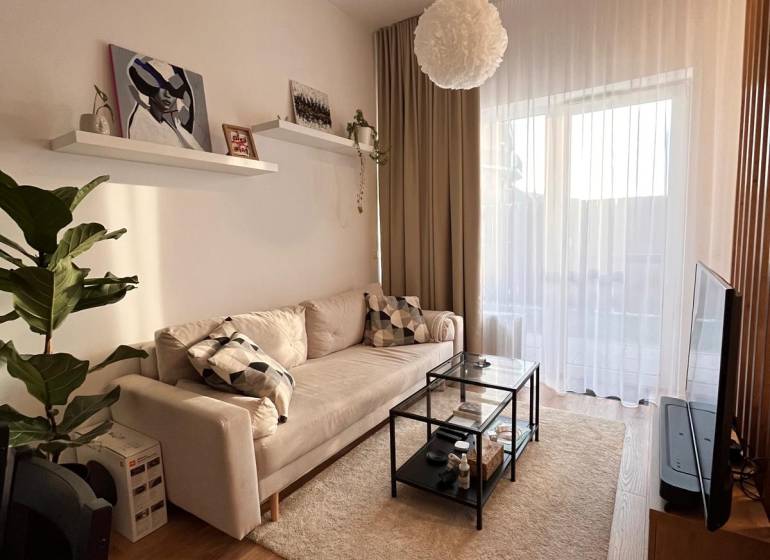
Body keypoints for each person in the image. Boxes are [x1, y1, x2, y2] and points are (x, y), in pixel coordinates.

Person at [126, 57, 204, 150]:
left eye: (173, 91)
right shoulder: (142, 125)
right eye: (162, 88)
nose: (168, 95)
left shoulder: (172, 122)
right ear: (148, 88)